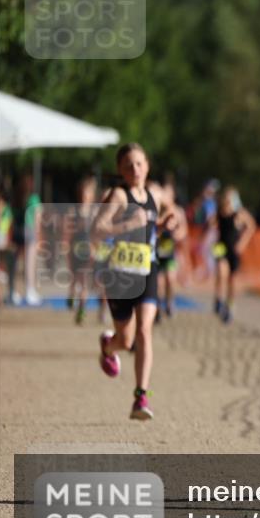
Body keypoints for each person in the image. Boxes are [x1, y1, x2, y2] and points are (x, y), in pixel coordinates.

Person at [92, 143, 180, 420]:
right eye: (129, 165)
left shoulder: (155, 192)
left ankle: (141, 397)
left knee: (144, 331)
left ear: (148, 165)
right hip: (120, 274)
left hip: (147, 269)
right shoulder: (118, 195)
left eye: (139, 163)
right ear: (120, 170)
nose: (135, 169)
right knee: (126, 339)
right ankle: (108, 347)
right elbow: (96, 229)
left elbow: (172, 212)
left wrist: (168, 224)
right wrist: (128, 225)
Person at [212, 185, 256, 324]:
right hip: (220, 247)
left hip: (233, 249)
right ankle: (218, 298)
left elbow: (251, 226)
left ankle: (229, 305)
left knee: (232, 280)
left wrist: (242, 243)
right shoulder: (220, 212)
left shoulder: (239, 213)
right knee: (220, 271)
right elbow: (212, 225)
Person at [155, 174, 188, 322]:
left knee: (170, 279)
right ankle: (158, 308)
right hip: (157, 250)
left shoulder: (178, 211)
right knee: (159, 282)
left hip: (170, 251)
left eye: (169, 193)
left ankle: (170, 301)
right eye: (164, 193)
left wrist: (177, 235)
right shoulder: (157, 210)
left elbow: (184, 230)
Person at [66, 176, 98, 325]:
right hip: (75, 249)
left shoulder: (94, 211)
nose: (86, 196)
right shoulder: (74, 210)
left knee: (84, 280)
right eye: (84, 193)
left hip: (88, 249)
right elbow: (68, 232)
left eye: (89, 193)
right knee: (75, 278)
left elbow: (97, 232)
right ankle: (72, 295)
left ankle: (81, 309)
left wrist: (95, 247)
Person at [7, 173, 42, 306]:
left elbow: (9, 214)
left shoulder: (15, 197)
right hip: (29, 231)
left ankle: (11, 292)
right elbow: (37, 218)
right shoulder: (33, 198)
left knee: (13, 264)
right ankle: (30, 291)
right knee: (29, 263)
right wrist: (39, 236)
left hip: (16, 231)